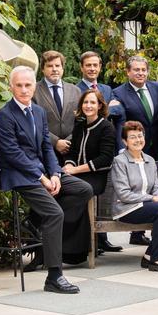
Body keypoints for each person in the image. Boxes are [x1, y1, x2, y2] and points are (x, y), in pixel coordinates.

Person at [0, 66, 91, 294]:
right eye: (19, 85)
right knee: (55, 214)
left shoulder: (38, 112)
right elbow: (13, 154)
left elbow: (47, 147)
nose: (24, 90)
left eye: (28, 85)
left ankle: (36, 220)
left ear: (34, 86)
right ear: (11, 87)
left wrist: (55, 173)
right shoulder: (4, 116)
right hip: (19, 174)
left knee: (83, 189)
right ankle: (54, 276)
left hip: (43, 173)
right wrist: (42, 178)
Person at [110, 121, 158, 273]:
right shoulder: (120, 161)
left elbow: (156, 187)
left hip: (147, 206)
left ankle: (151, 255)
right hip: (126, 208)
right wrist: (153, 199)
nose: (137, 140)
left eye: (140, 136)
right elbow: (124, 194)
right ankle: (157, 260)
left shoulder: (149, 160)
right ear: (125, 141)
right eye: (132, 137)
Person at [109, 56, 158, 246]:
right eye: (136, 70)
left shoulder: (157, 88)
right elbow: (119, 118)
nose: (140, 73)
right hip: (133, 147)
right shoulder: (118, 93)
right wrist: (123, 148)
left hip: (155, 146)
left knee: (152, 185)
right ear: (128, 72)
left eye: (143, 70)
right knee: (134, 187)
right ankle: (137, 233)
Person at [76, 52, 123, 253]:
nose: (92, 68)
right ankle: (89, 240)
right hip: (84, 150)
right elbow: (77, 115)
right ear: (81, 67)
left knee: (102, 197)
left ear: (100, 67)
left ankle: (102, 239)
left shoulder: (106, 88)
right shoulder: (76, 89)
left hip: (103, 146)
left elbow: (120, 111)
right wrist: (105, 109)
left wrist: (103, 112)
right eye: (88, 65)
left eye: (95, 65)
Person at [62, 88, 117, 257]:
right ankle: (62, 246)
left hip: (96, 177)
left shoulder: (107, 127)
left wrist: (74, 170)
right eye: (85, 102)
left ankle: (75, 251)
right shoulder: (79, 126)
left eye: (93, 102)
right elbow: (72, 153)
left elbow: (105, 159)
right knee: (57, 192)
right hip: (77, 175)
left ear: (100, 105)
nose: (88, 105)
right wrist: (68, 166)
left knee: (73, 197)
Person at [34, 51, 81, 163]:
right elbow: (33, 122)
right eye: (50, 66)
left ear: (62, 68)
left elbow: (81, 120)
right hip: (44, 151)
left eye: (57, 65)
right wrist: (55, 142)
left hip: (72, 151)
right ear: (42, 69)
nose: (54, 69)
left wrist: (70, 140)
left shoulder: (75, 90)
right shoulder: (33, 91)